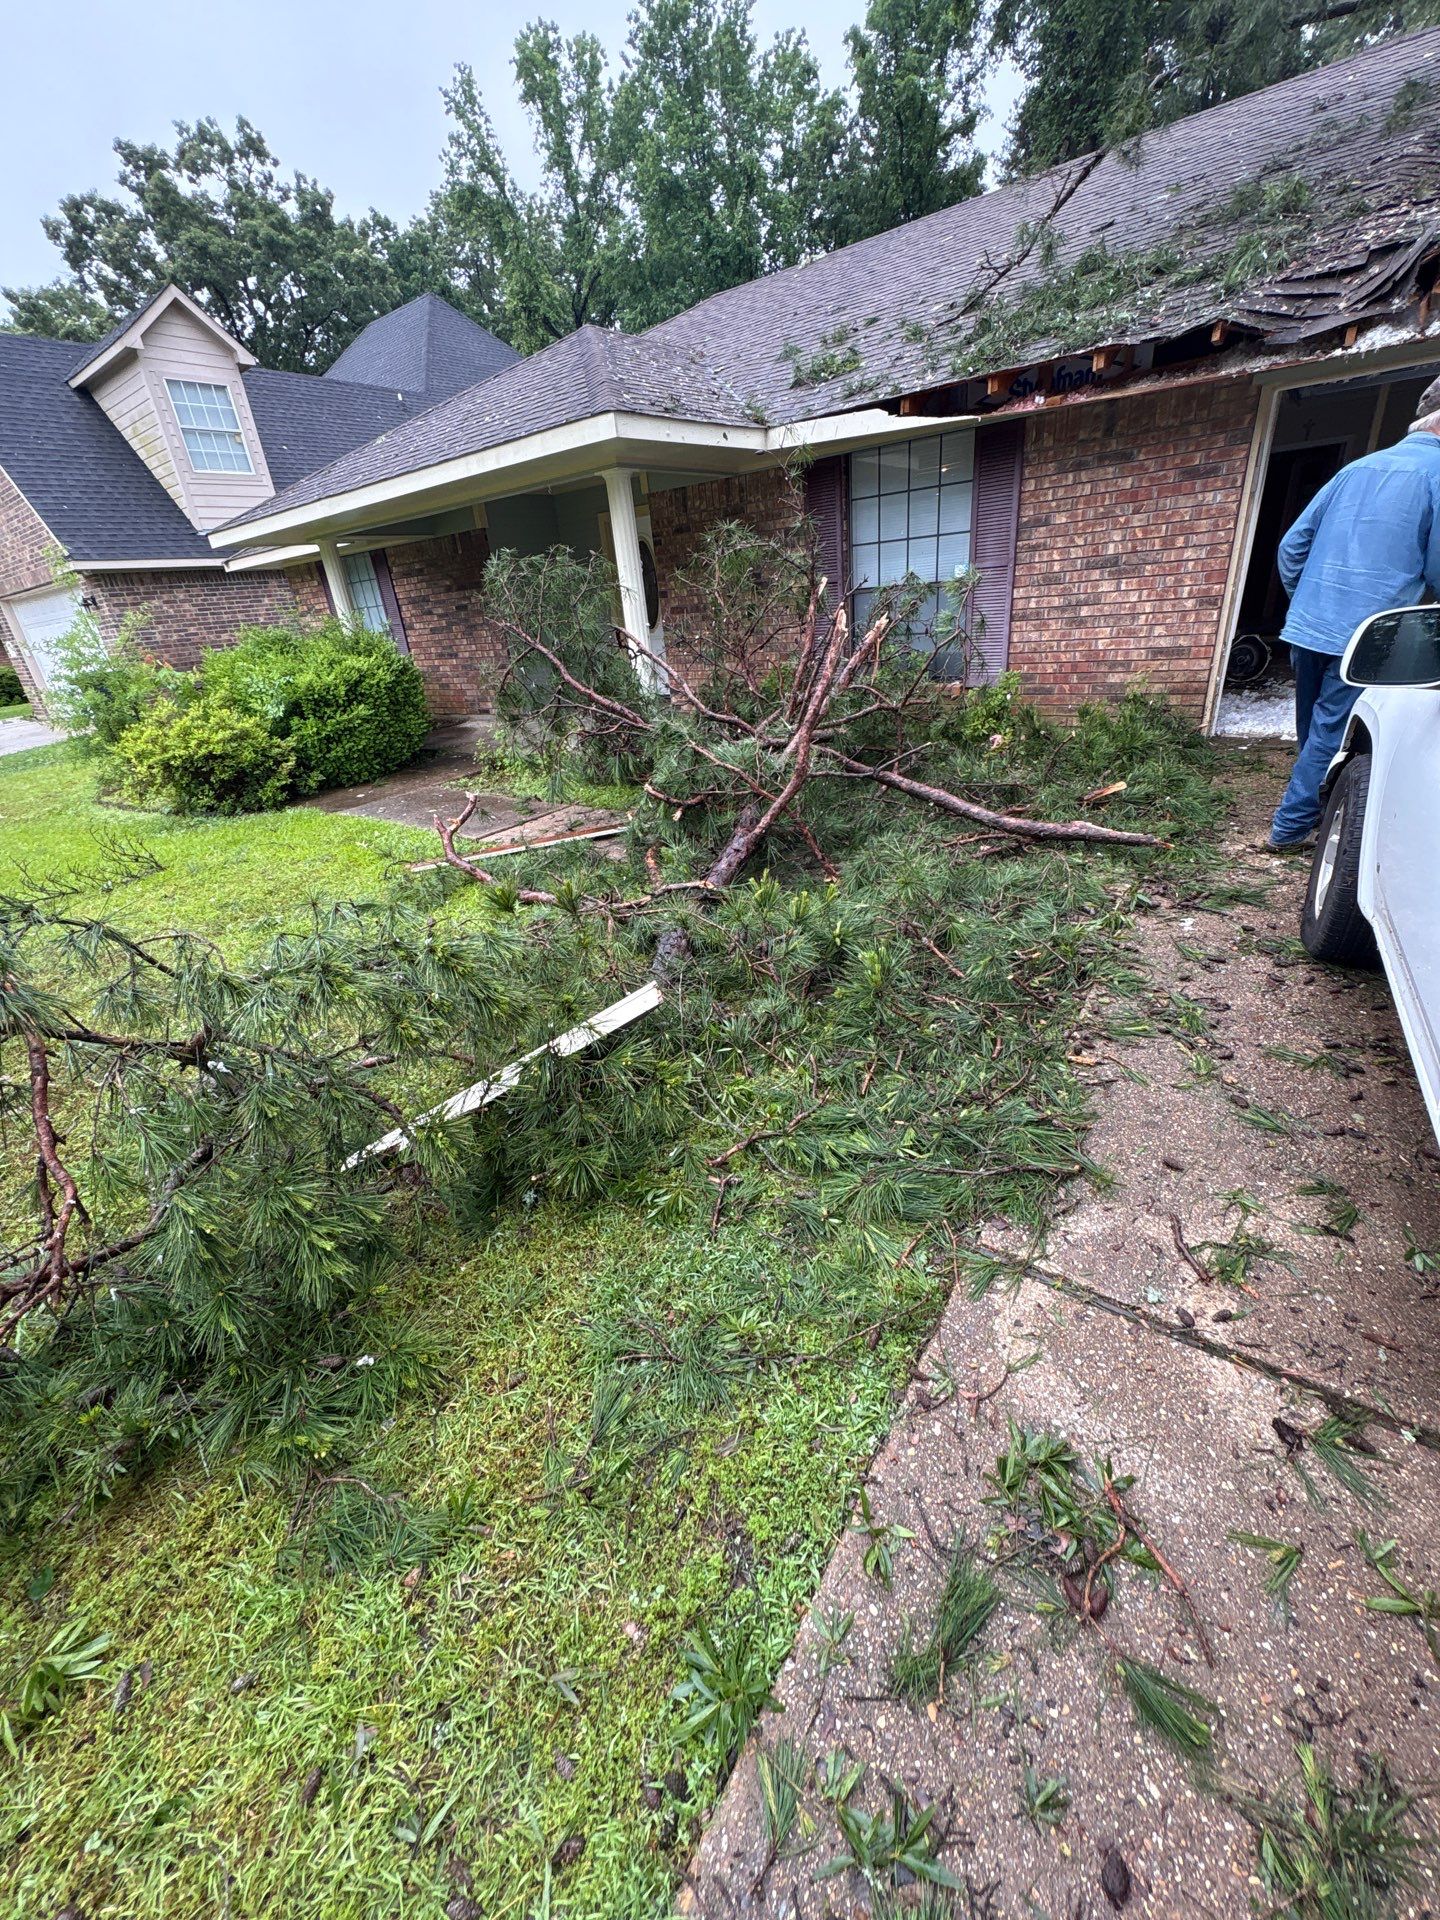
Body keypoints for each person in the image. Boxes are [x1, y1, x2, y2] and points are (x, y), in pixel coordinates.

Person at [1266, 373, 1440, 851]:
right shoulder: (1436, 475)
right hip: (1370, 634)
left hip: (1309, 627)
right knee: (1331, 732)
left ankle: (1315, 803)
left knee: (1315, 731)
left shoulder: (1354, 469)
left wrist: (1308, 601)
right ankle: (1290, 827)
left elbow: (1291, 547)